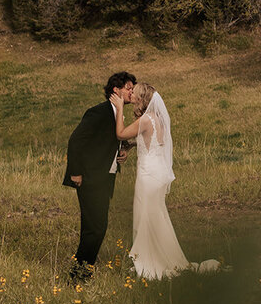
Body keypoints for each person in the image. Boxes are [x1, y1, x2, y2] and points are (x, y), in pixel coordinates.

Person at [112, 82, 218, 280]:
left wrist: (119, 109)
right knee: (155, 216)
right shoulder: (157, 119)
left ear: (142, 98)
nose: (131, 93)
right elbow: (150, 142)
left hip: (148, 175)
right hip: (157, 172)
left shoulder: (145, 119)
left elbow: (120, 133)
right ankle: (159, 256)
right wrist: (132, 146)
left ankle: (149, 262)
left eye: (134, 92)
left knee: (146, 217)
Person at [63, 71, 136, 281]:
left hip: (105, 179)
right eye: (128, 88)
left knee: (97, 227)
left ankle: (83, 273)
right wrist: (75, 172)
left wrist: (122, 151)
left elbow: (108, 140)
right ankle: (78, 276)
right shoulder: (98, 112)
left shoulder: (117, 113)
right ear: (116, 89)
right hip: (90, 178)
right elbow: (76, 141)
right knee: (94, 228)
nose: (132, 92)